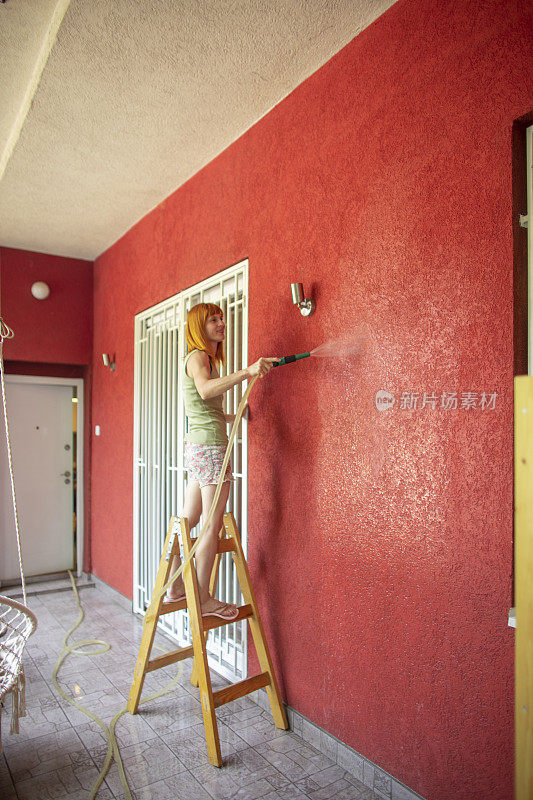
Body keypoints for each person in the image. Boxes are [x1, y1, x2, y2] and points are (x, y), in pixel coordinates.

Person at [165, 302, 279, 620]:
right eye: (213, 319)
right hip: (211, 449)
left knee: (188, 519)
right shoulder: (199, 357)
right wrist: (247, 371)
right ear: (199, 326)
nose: (221, 323)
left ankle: (174, 589)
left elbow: (205, 411)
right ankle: (202, 599)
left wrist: (234, 416)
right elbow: (204, 391)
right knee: (211, 526)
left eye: (221, 318)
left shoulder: (203, 360)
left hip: (200, 446)